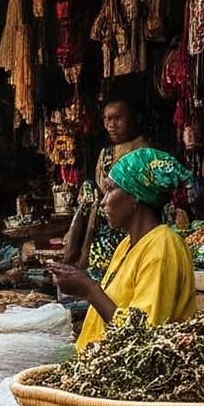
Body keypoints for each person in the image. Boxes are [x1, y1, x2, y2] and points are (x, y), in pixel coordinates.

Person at [47, 147, 196, 347]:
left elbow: (143, 336)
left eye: (110, 189)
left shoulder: (163, 247)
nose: (104, 202)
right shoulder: (128, 244)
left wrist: (89, 290)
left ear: (135, 195)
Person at [66, 91, 154, 271]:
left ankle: (79, 255)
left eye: (118, 119)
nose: (111, 125)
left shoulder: (144, 152)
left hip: (128, 223)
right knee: (88, 188)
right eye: (107, 120)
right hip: (103, 222)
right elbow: (98, 196)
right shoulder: (106, 154)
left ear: (133, 119)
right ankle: (75, 252)